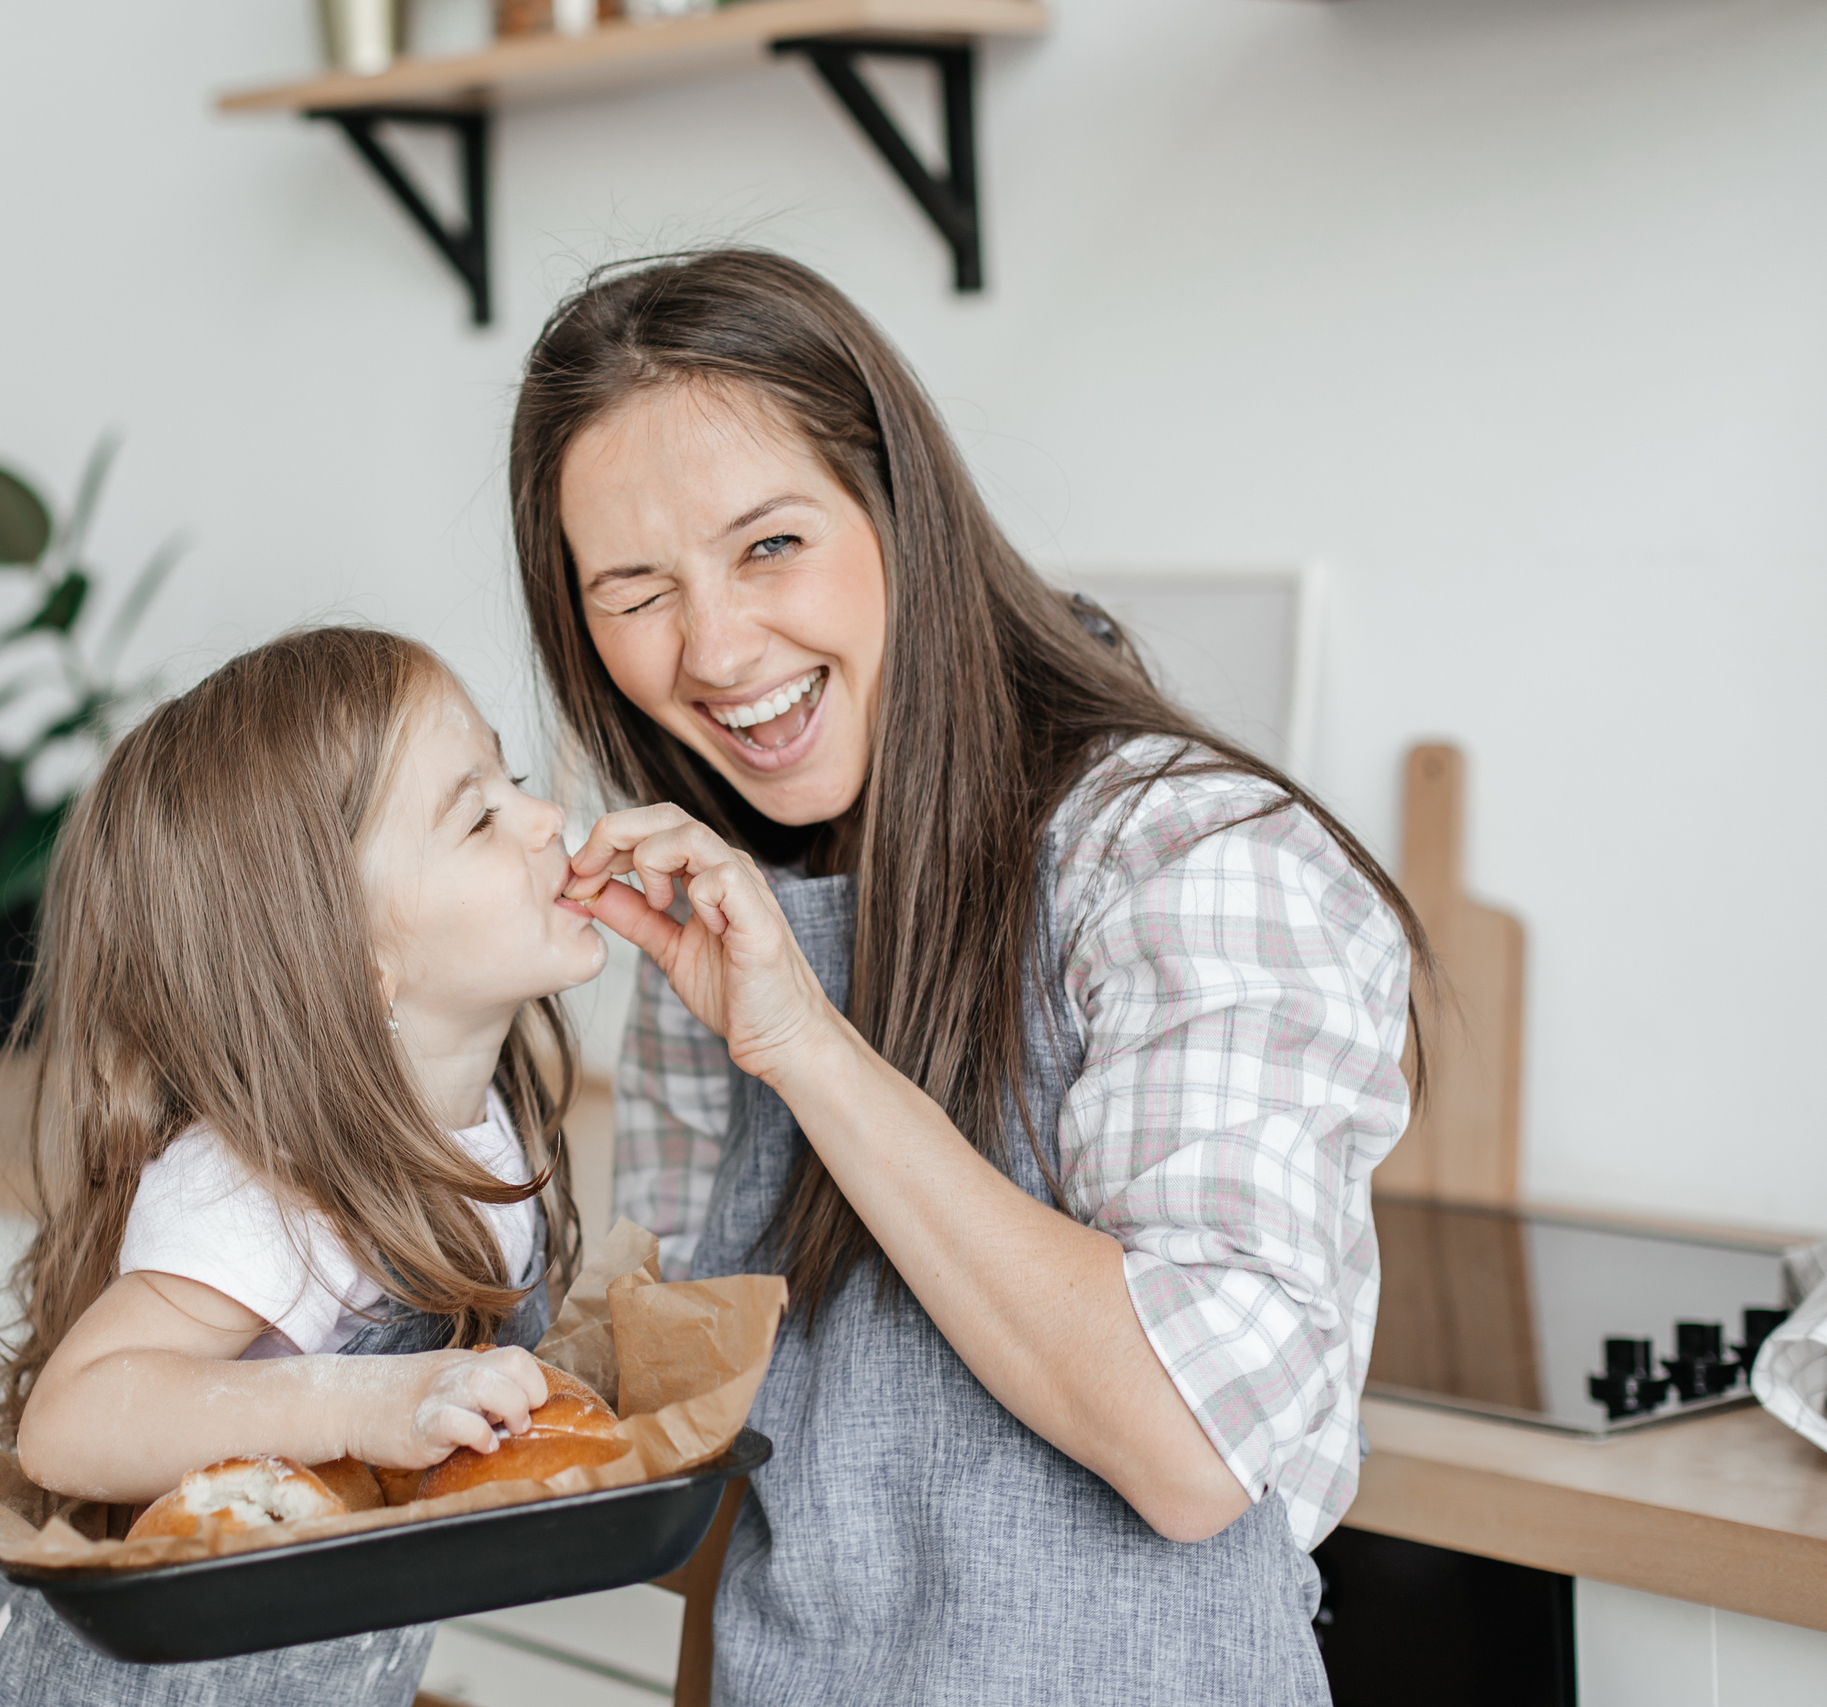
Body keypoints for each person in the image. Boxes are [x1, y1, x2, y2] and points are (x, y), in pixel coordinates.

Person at [510, 250, 1425, 1705]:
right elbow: (719, 1486)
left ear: (900, 511)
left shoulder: (1188, 856)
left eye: (769, 545)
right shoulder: (728, 906)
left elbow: (1189, 1447)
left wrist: (804, 1045)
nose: (717, 646)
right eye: (635, 589)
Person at [0, 626, 606, 1707]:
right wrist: (370, 1400)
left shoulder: (477, 1125)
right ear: (351, 960)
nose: (546, 821)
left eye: (513, 780)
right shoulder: (259, 1184)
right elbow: (73, 1419)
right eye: (480, 816)